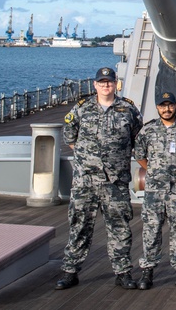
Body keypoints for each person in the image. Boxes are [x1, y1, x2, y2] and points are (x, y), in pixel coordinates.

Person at [56, 66, 142, 291]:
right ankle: (70, 272)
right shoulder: (82, 109)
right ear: (95, 85)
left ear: (116, 84)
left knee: (120, 228)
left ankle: (123, 272)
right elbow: (70, 138)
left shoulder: (128, 110)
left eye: (110, 82)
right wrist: (90, 160)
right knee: (79, 226)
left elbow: (138, 139)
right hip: (86, 182)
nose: (106, 85)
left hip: (115, 182)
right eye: (102, 82)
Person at [136, 92, 176, 290]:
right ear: (157, 107)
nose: (167, 109)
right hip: (155, 190)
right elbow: (139, 155)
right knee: (151, 230)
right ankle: (148, 271)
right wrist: (154, 171)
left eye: (170, 105)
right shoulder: (148, 130)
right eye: (163, 106)